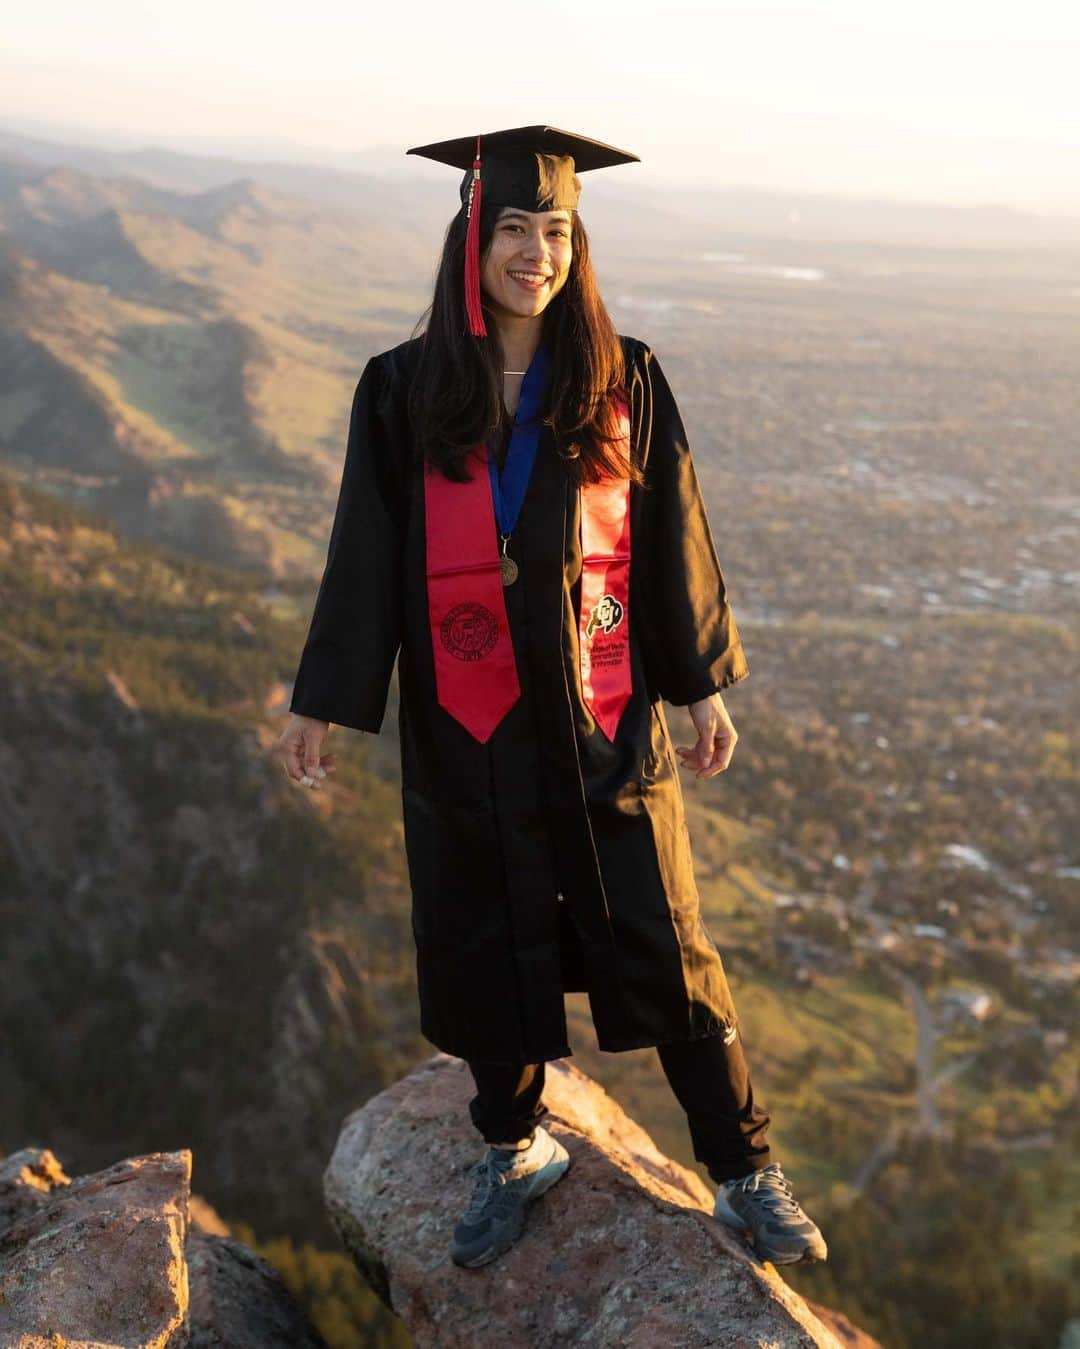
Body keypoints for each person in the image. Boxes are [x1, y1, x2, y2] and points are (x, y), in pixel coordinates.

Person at [278, 125, 827, 1271]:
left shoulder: (623, 377)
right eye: (516, 227)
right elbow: (366, 552)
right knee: (484, 933)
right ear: (472, 238)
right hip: (466, 721)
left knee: (665, 936)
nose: (537, 251)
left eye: (557, 230)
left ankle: (742, 1166)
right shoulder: (405, 390)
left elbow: (670, 528)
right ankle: (516, 1143)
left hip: (605, 717)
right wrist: (322, 699)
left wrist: (699, 684)